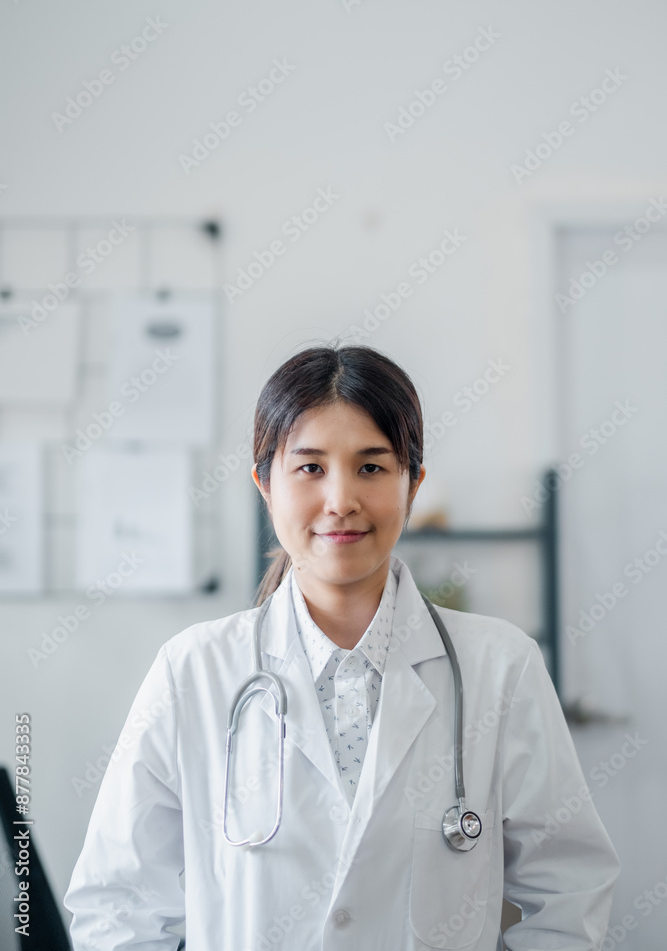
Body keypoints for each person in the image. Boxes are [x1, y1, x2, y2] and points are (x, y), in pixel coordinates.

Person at [64, 343, 620, 950]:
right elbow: (118, 906)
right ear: (264, 486)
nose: (341, 500)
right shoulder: (192, 671)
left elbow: (571, 895)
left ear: (413, 485)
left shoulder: (501, 668)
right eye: (309, 468)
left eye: (372, 467)